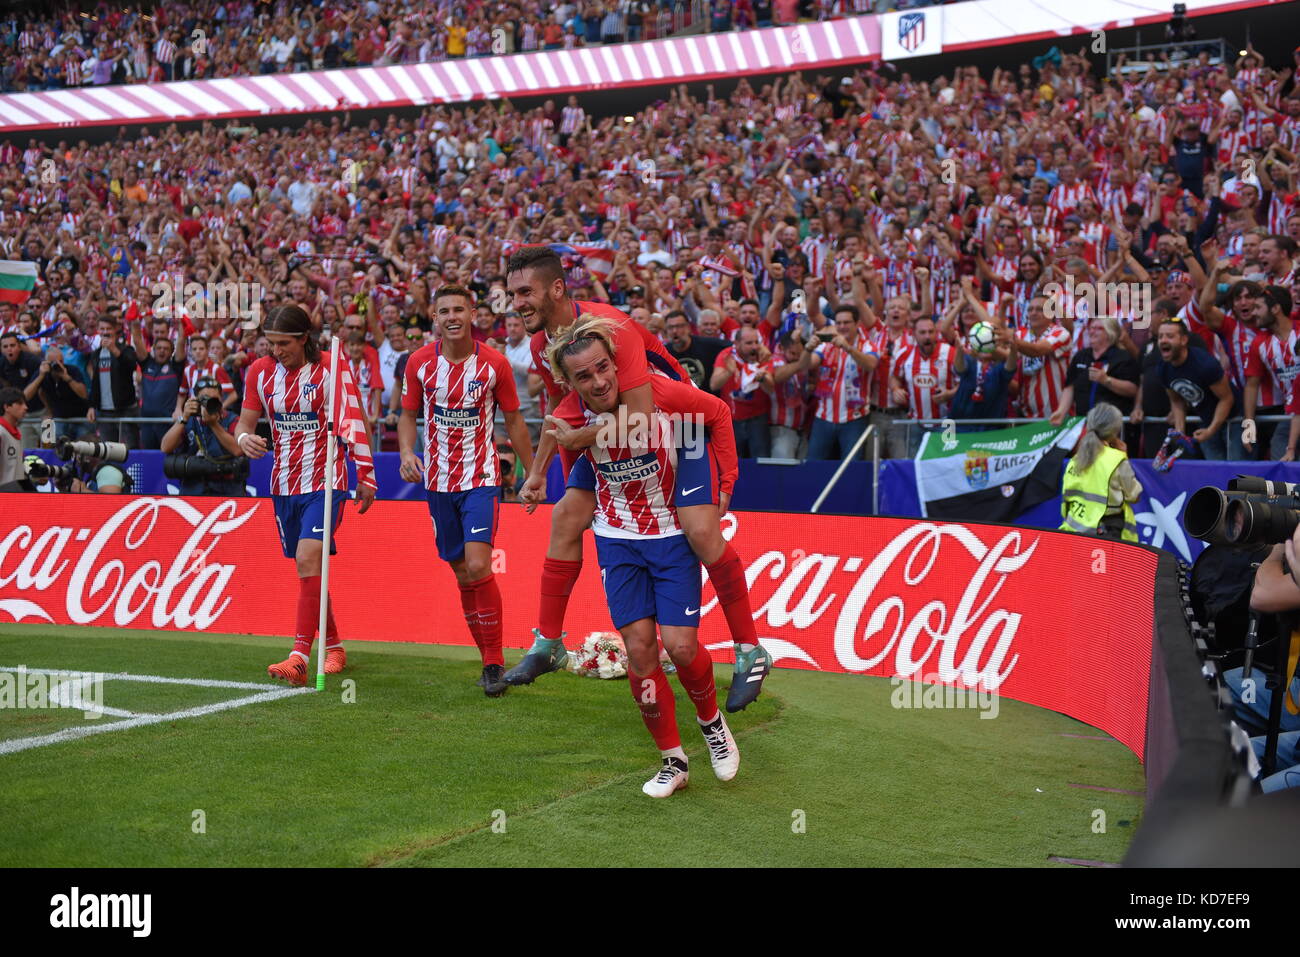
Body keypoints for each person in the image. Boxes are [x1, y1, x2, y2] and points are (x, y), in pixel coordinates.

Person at [507, 247, 771, 712]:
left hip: (676, 425)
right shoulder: (542, 345)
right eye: (512, 294)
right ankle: (548, 643)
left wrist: (726, 480)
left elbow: (643, 416)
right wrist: (547, 476)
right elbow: (563, 414)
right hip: (612, 431)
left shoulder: (613, 328)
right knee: (567, 516)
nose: (516, 303)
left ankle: (750, 649)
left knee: (702, 531)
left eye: (525, 292)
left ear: (557, 289)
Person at [543, 314, 741, 797]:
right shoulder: (571, 416)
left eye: (603, 367)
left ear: (616, 363)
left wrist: (723, 485)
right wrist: (536, 479)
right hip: (617, 540)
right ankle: (672, 760)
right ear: (569, 383)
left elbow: (715, 415)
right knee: (639, 650)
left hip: (672, 536)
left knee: (682, 647)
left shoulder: (655, 398)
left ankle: (711, 722)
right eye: (584, 376)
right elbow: (568, 460)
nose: (599, 380)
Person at [398, 286, 535, 695]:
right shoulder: (419, 363)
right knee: (462, 574)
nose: (452, 316)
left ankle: (494, 663)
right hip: (437, 482)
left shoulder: (495, 364)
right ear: (433, 316)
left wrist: (533, 473)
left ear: (473, 313)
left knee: (478, 566)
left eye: (460, 309)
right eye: (445, 311)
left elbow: (514, 422)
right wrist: (407, 451)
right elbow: (407, 416)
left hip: (481, 479)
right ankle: (486, 659)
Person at [234, 305, 377, 686]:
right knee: (309, 569)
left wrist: (367, 473)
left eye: (283, 343)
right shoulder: (260, 372)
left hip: (326, 480)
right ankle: (334, 645)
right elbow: (244, 424)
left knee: (307, 556)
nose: (276, 351)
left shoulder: (331, 366)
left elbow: (355, 418)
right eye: (271, 343)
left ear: (303, 339)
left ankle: (299, 655)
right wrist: (246, 439)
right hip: (283, 483)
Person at [1153, 318, 1236, 459]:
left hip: (1235, 419)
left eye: (1170, 336)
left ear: (1184, 340)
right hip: (1206, 418)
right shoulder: (1162, 369)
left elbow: (1227, 399)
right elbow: (1177, 401)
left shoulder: (1204, 364)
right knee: (1214, 470)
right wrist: (1180, 432)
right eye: (1160, 336)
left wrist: (1211, 430)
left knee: (1238, 470)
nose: (1163, 340)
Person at [1059, 403, 1142, 541]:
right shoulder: (1117, 459)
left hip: (1073, 532)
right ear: (1115, 431)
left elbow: (1066, 502)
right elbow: (1134, 495)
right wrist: (1123, 455)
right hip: (1106, 536)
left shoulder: (1075, 460)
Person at [806, 307, 878, 459]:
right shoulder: (826, 345)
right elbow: (808, 365)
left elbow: (870, 365)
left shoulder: (867, 346)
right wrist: (807, 350)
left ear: (857, 323)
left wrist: (848, 347)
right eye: (838, 323)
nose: (842, 326)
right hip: (823, 416)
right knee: (814, 465)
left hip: (855, 418)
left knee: (851, 467)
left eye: (847, 322)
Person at [160, 376, 246, 497]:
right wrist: (183, 418)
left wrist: (213, 424)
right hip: (194, 484)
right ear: (195, 400)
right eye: (204, 399)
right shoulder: (189, 420)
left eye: (214, 399)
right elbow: (165, 447)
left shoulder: (232, 419)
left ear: (221, 399)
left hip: (226, 485)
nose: (209, 403)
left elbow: (237, 450)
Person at [1051, 317, 1141, 425]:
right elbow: (1070, 387)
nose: (1092, 331)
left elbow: (1132, 390)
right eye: (1091, 328)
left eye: (1098, 328)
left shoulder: (1123, 357)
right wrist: (1061, 411)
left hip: (1111, 426)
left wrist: (1106, 380)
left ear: (1110, 333)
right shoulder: (1081, 356)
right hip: (1083, 423)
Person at [710, 325, 771, 458]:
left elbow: (771, 390)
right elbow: (714, 385)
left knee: (760, 462)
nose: (754, 347)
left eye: (756, 342)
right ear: (737, 344)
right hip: (732, 420)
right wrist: (729, 372)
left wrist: (763, 379)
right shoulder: (727, 356)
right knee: (733, 462)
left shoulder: (762, 355)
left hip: (758, 419)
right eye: (749, 343)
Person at [86, 314, 140, 448]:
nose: (105, 332)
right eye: (102, 329)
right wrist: (92, 406)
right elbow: (95, 382)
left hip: (125, 410)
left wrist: (114, 350)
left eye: (108, 329)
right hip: (104, 412)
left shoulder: (126, 349)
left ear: (115, 329)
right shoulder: (96, 354)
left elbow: (131, 365)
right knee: (108, 451)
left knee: (128, 451)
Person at [136, 330, 184, 449]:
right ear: (153, 350)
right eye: (159, 348)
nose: (162, 350)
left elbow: (181, 342)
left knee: (167, 459)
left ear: (171, 352)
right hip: (147, 423)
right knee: (148, 458)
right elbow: (137, 341)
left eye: (166, 348)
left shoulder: (176, 367)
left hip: (167, 423)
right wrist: (134, 321)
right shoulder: (147, 364)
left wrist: (181, 323)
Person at [0, 330, 45, 447]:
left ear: (19, 347)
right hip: (23, 416)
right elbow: (6, 389)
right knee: (26, 449)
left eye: (12, 345)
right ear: (1, 349)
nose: (9, 349)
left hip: (44, 413)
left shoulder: (32, 361)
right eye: (5, 346)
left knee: (51, 447)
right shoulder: (2, 364)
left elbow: (26, 396)